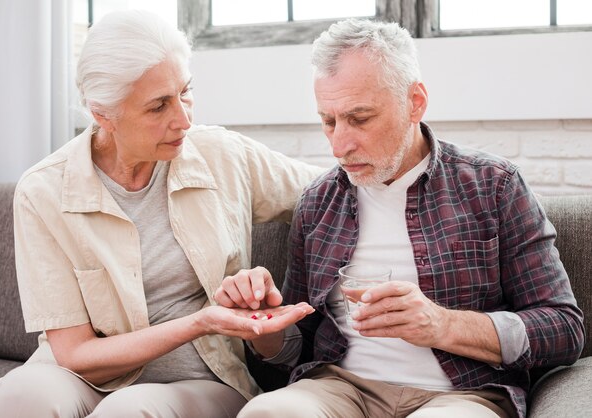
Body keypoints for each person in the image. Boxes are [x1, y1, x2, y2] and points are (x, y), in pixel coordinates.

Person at [214, 18, 585, 418]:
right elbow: (295, 346)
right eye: (328, 120)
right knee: (266, 413)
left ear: (415, 102)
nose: (339, 144)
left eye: (360, 118)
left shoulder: (493, 186)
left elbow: (563, 328)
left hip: (461, 394)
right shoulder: (318, 201)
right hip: (340, 387)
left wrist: (441, 324)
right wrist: (263, 327)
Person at [0, 10, 320, 418]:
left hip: (196, 382)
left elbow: (331, 193)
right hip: (82, 374)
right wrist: (200, 322)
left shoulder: (222, 155)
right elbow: (75, 354)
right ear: (103, 114)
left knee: (128, 411)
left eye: (185, 91)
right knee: (18, 400)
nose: (184, 118)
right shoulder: (44, 191)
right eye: (158, 106)